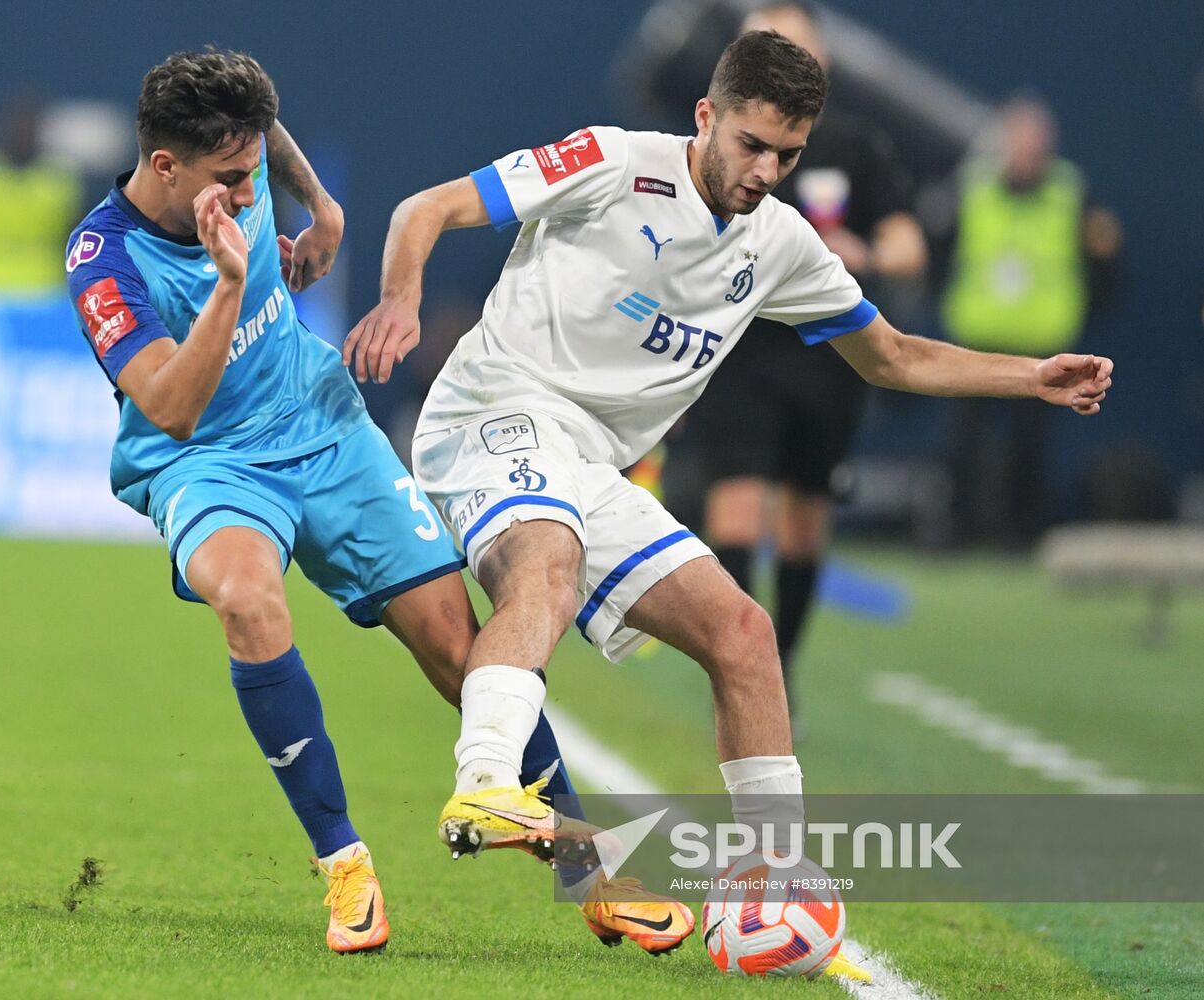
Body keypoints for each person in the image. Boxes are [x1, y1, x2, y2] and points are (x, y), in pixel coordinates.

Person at [345, 30, 1111, 978]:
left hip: (593, 463)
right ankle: (486, 786)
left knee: (743, 636)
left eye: (786, 155)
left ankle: (773, 873)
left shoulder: (783, 243)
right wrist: (399, 300)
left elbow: (895, 355)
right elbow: (430, 207)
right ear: (706, 116)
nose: (764, 170)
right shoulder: (609, 161)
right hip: (490, 416)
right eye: (749, 144)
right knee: (543, 562)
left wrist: (1029, 376)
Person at [65, 49, 668, 958]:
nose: (246, 185)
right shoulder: (105, 262)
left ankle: (590, 875)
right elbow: (175, 407)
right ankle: (343, 864)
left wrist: (324, 206)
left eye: (252, 171)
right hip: (208, 461)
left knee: (460, 648)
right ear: (163, 167)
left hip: (321, 421)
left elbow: (264, 132)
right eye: (229, 181)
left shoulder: (241, 156)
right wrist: (232, 281)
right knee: (244, 597)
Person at [663, 2, 928, 721]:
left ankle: (781, 674)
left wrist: (864, 254)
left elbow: (908, 247)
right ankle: (738, 675)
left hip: (826, 354)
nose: (768, 166)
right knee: (739, 512)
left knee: (805, 522)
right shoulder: (711, 147)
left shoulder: (851, 147)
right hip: (740, 348)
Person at [942, 96, 1120, 547]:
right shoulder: (973, 187)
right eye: (1018, 141)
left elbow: (1101, 262)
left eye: (1034, 143)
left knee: (1031, 448)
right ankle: (961, 529)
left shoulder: (1070, 193)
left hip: (1043, 344)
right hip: (977, 339)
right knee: (963, 445)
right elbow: (943, 250)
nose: (1025, 152)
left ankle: (1022, 534)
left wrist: (1083, 313)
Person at [0, 97, 83, 297]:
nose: (21, 134)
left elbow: (76, 237)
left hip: (42, 288)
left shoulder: (59, 179)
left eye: (27, 128)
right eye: (15, 127)